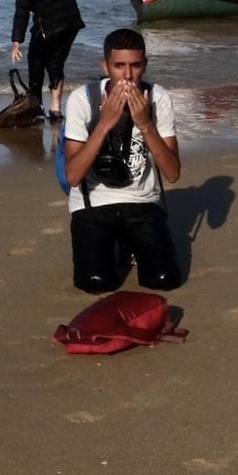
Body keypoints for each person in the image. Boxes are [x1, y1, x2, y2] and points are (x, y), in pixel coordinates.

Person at [62, 28, 182, 294]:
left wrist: (145, 123)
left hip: (142, 201)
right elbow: (72, 175)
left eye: (135, 66)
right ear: (105, 66)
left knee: (164, 280)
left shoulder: (158, 97)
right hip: (92, 203)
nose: (127, 76)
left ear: (145, 65)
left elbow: (173, 173)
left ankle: (129, 243)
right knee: (95, 284)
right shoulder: (83, 99)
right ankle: (116, 243)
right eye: (119, 66)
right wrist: (105, 124)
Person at [0, 0, 86, 121]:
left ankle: (35, 107)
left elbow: (21, 11)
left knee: (36, 61)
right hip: (72, 20)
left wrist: (17, 41)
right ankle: (56, 110)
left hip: (50, 24)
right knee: (56, 63)